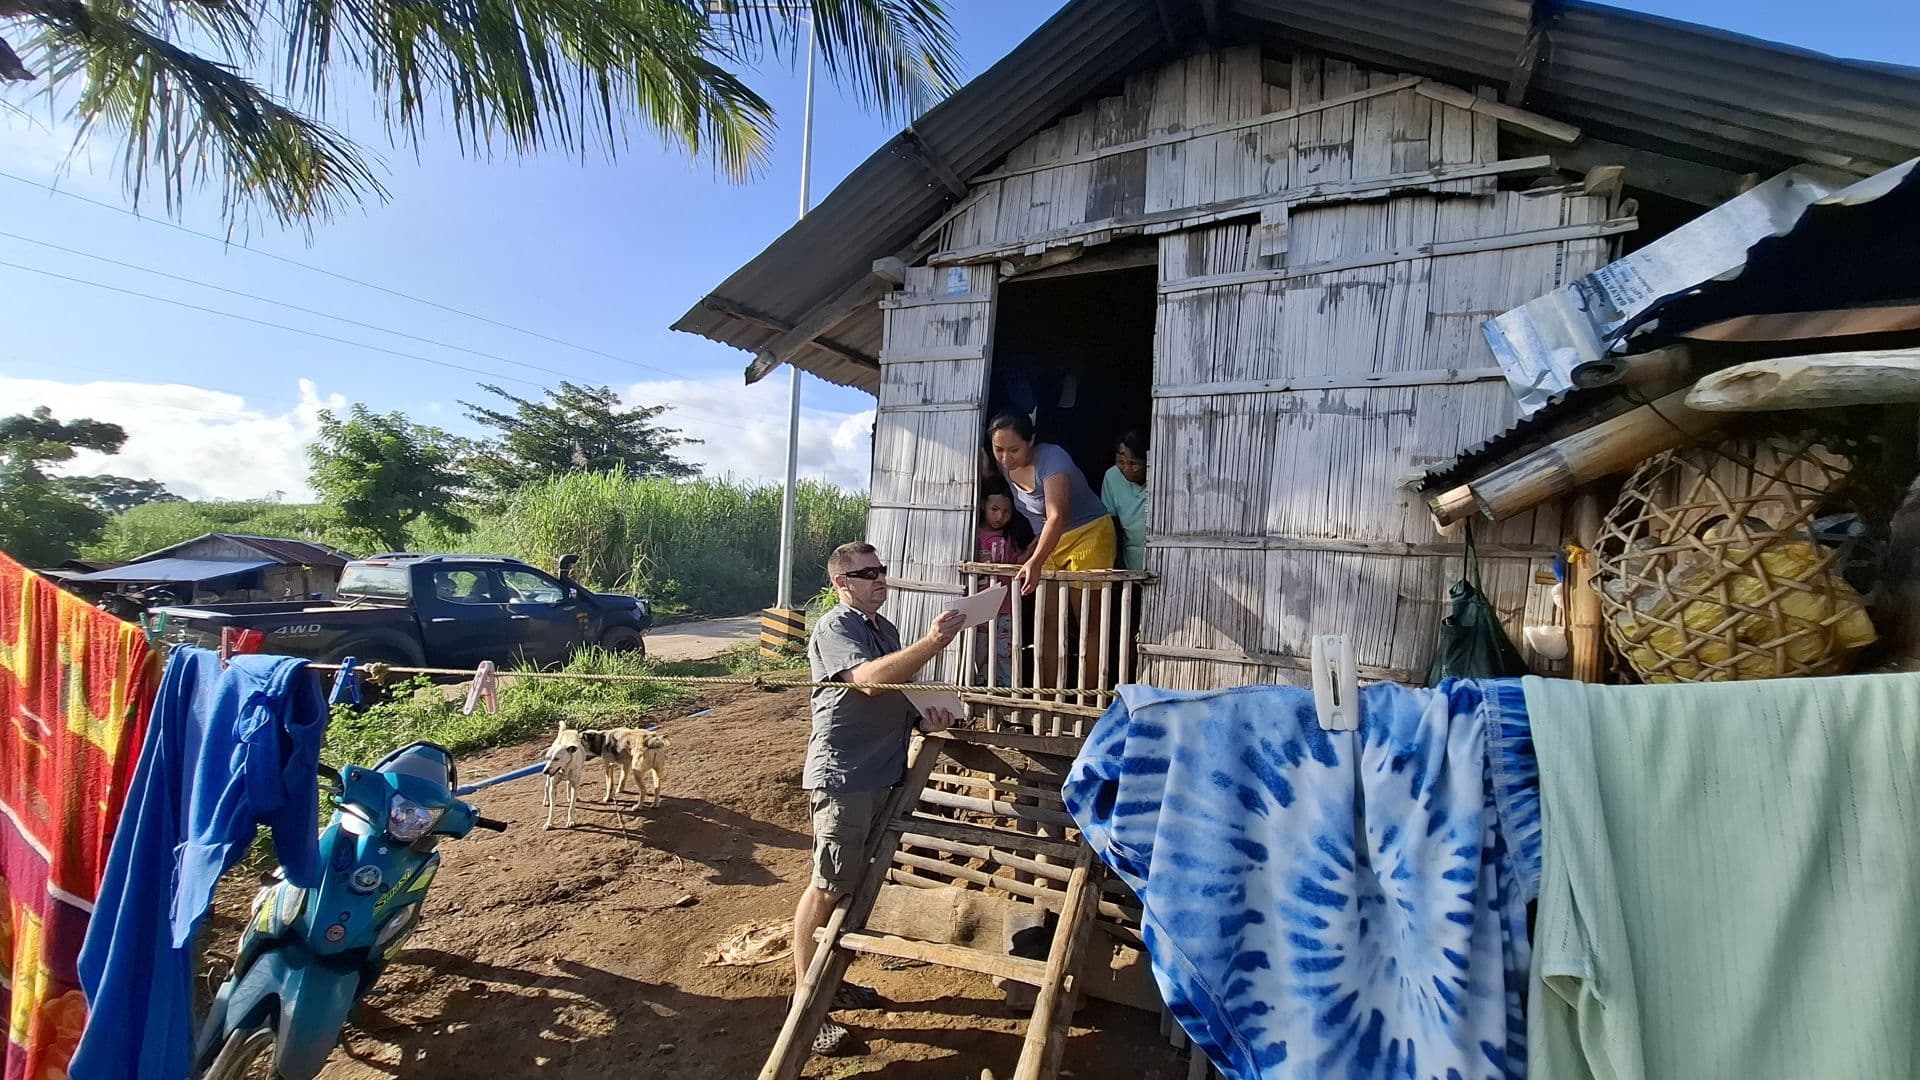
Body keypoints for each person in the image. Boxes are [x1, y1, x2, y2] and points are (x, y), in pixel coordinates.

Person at [793, 542, 964, 1057]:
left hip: (879, 772)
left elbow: (896, 691)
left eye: (881, 570)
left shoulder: (883, 629)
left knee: (850, 884)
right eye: (867, 573)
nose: (879, 579)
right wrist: (934, 641)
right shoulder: (835, 627)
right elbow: (868, 682)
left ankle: (831, 982)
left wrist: (927, 716)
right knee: (827, 886)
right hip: (845, 776)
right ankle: (806, 1005)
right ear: (841, 584)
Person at [987, 412, 1115, 687]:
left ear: (1031, 440)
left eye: (1014, 450)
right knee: (1047, 621)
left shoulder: (1053, 459)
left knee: (1088, 622)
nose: (1006, 458)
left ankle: (1089, 698)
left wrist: (1034, 561)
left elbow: (1058, 516)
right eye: (999, 450)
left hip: (1088, 534)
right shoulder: (1003, 466)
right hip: (1047, 540)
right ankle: (1047, 696)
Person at [974, 493, 1026, 686]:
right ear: (983, 506)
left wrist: (1037, 542)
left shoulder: (1009, 540)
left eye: (1006, 512)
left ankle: (1005, 687)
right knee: (978, 648)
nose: (1000, 516)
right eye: (994, 510)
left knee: (1005, 650)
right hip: (980, 606)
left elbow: (1018, 561)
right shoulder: (974, 536)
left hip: (1005, 607)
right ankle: (978, 685)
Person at [1101, 430, 1149, 572]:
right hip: (1130, 562)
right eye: (1120, 462)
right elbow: (1112, 524)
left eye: (1134, 463)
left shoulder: (1161, 475)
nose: (1127, 469)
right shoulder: (1112, 477)